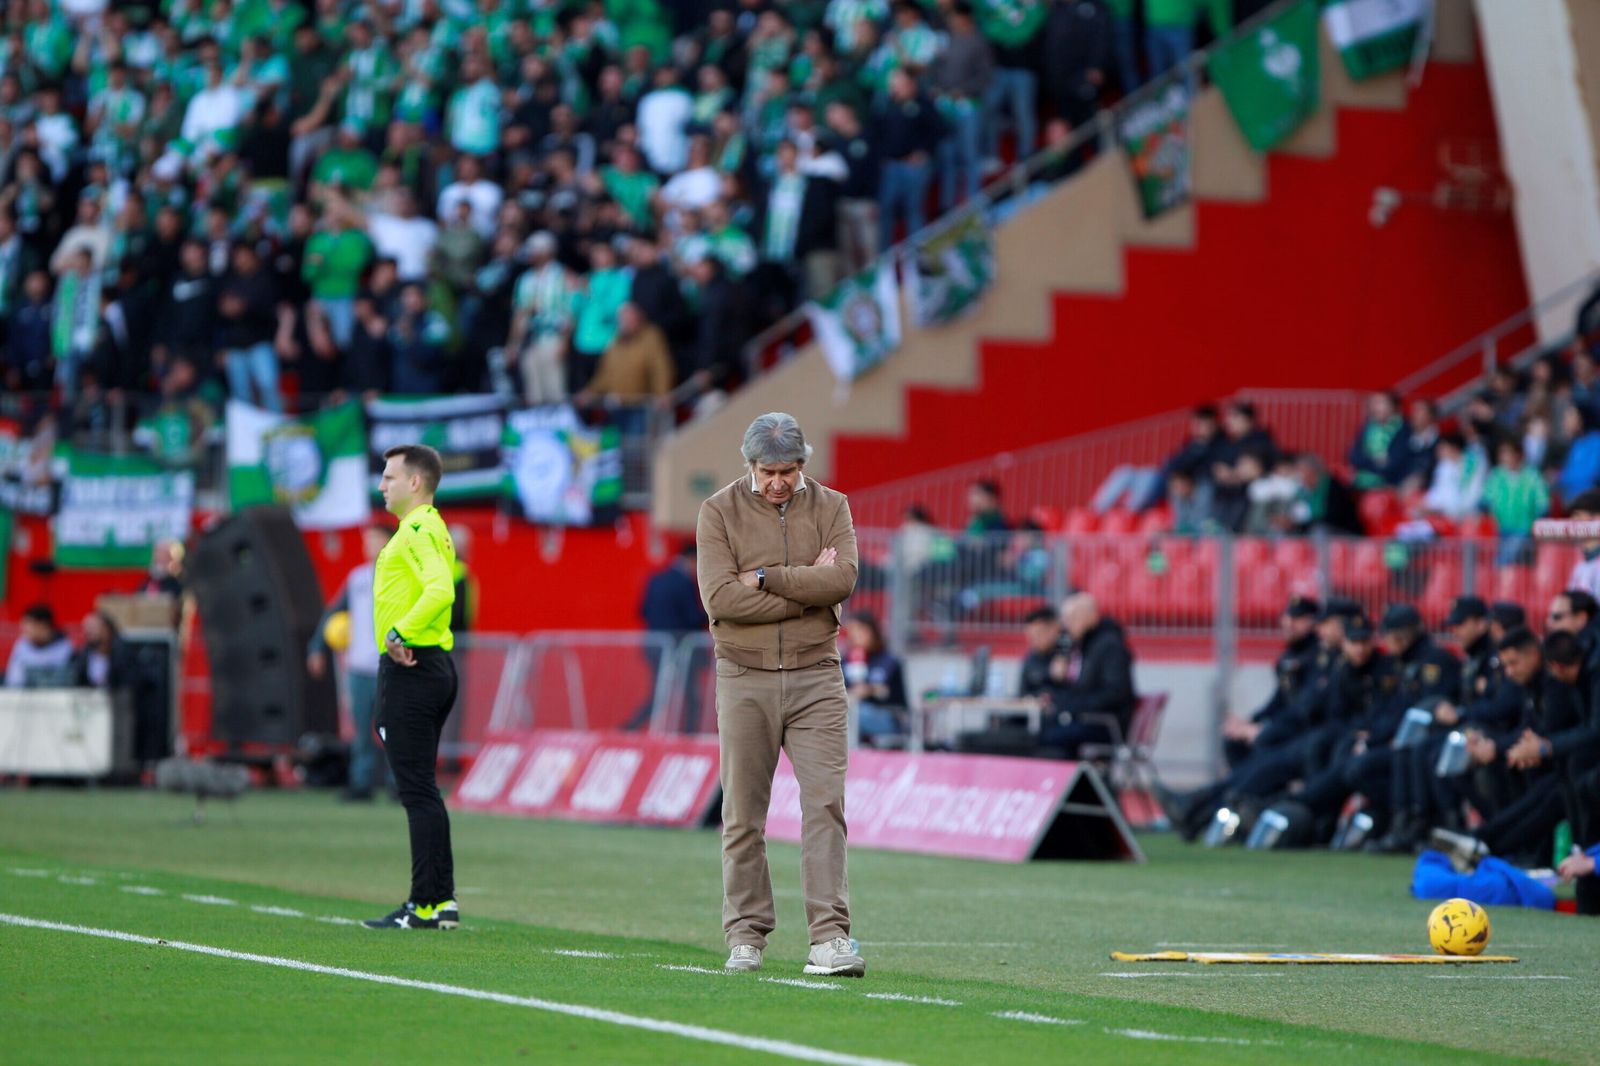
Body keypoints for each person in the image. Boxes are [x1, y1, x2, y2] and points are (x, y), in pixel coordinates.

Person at [696, 411, 864, 977]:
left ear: (803, 464)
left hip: (818, 675)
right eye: (768, 471)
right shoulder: (717, 511)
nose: (777, 482)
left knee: (825, 807)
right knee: (744, 815)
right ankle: (745, 936)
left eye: (788, 471)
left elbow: (841, 580)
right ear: (749, 466)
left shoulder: (833, 505)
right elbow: (721, 599)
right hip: (743, 677)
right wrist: (805, 589)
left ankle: (830, 938)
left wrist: (766, 577)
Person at [363, 444, 460, 931]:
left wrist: (398, 634)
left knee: (417, 791)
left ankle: (423, 904)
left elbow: (441, 589)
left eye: (389, 477)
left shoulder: (419, 528)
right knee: (425, 790)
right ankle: (441, 901)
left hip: (413, 667)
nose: (382, 485)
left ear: (415, 483)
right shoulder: (429, 528)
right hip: (432, 663)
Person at [309, 522, 392, 803]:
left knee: (394, 728)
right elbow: (333, 611)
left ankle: (398, 784)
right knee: (360, 729)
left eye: (374, 540)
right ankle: (361, 782)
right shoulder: (358, 578)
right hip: (359, 666)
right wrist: (317, 647)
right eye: (366, 541)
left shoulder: (403, 577)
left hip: (391, 665)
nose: (368, 546)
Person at [1220, 595, 1320, 768]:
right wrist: (1250, 721)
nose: (1289, 623)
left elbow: (1304, 706)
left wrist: (1264, 728)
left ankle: (1249, 792)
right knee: (1234, 741)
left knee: (1266, 740)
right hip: (1287, 723)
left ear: (1312, 622)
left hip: (1306, 726)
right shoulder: (1288, 655)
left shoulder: (1318, 656)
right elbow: (1279, 699)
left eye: (1297, 618)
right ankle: (1242, 792)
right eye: (1287, 617)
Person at [626, 544, 710, 733]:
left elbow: (642, 611)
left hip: (654, 646)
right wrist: (715, 614)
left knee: (658, 694)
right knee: (691, 696)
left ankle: (630, 727)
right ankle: (689, 736)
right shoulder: (684, 582)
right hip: (682, 649)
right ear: (691, 559)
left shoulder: (655, 579)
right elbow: (692, 617)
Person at [1041, 592, 1136, 755]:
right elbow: (1080, 686)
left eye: (1071, 618)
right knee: (1044, 730)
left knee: (1048, 738)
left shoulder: (1109, 645)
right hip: (1088, 719)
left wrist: (1072, 707)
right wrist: (1057, 681)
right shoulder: (1084, 645)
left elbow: (1115, 693)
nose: (1065, 625)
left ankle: (1070, 779)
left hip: (1106, 724)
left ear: (1088, 617)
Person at [843, 612, 908, 747]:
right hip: (851, 710)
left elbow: (884, 691)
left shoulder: (888, 660)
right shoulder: (846, 660)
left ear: (871, 631)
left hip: (888, 716)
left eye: (858, 631)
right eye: (851, 632)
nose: (854, 636)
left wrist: (868, 690)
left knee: (855, 713)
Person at [1349, 391, 1411, 490]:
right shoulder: (1368, 426)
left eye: (1380, 403)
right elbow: (1354, 456)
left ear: (1393, 406)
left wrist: (1367, 462)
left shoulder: (1404, 428)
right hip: (1361, 481)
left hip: (1389, 484)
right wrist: (1375, 461)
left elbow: (1395, 463)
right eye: (1373, 403)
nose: (1375, 407)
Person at [4, 604, 75, 687]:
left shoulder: (65, 649)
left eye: (29, 624)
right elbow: (13, 681)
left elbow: (68, 681)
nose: (24, 628)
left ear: (43, 626)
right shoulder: (22, 646)